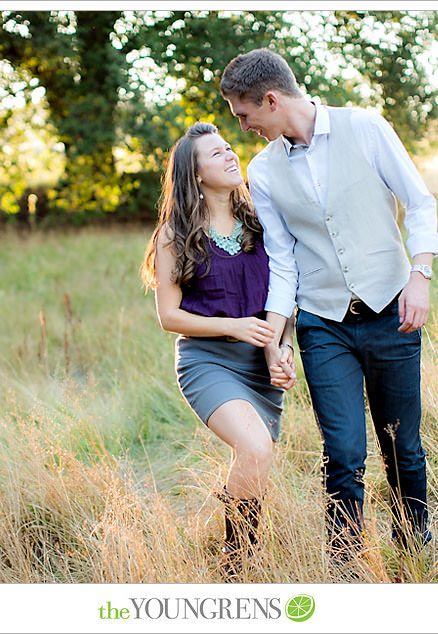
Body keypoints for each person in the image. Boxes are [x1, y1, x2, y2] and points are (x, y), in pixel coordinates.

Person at [220, 49, 438, 560]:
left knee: (400, 444)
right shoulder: (265, 171)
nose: (245, 125)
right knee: (343, 452)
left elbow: (420, 200)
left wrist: (420, 274)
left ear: (271, 99)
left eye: (245, 114)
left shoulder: (365, 127)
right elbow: (283, 262)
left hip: (393, 312)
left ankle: (414, 546)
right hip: (324, 325)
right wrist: (276, 338)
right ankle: (345, 561)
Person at [140, 121, 297, 579]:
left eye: (229, 147)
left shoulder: (262, 224)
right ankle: (239, 564)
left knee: (256, 456)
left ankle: (238, 558)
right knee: (255, 447)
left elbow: (281, 296)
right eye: (216, 154)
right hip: (208, 361)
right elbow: (169, 316)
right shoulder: (174, 235)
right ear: (196, 175)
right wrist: (233, 326)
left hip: (259, 361)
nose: (231, 156)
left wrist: (279, 351)